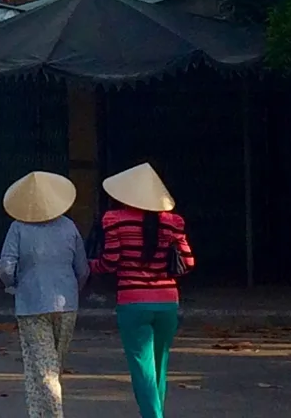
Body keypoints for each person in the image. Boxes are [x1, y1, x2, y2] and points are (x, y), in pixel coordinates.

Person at [89, 163, 195, 418]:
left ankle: (153, 416)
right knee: (160, 365)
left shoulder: (114, 220)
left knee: (142, 367)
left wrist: (91, 266)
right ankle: (156, 412)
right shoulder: (173, 222)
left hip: (133, 303)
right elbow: (188, 263)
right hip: (169, 301)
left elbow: (110, 262)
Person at [0, 171, 89, 418]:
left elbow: (6, 267)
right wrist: (72, 290)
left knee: (40, 366)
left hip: (31, 303)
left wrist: (13, 284)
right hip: (67, 302)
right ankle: (41, 413)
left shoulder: (18, 228)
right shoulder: (69, 226)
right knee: (54, 365)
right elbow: (83, 268)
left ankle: (50, 414)